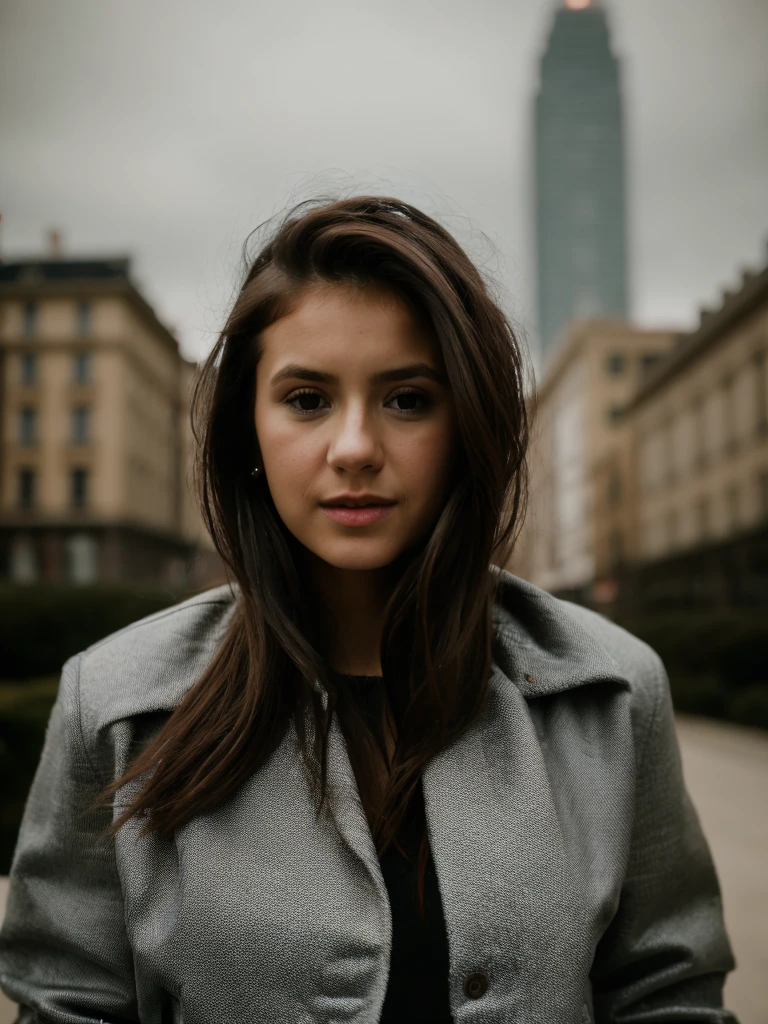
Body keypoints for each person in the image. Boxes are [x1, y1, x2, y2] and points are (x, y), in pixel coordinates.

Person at [0, 196, 738, 1023]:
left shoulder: (613, 693)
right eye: (307, 399)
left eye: (408, 399)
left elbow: (669, 996)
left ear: (470, 425)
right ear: (249, 431)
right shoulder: (115, 704)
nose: (354, 448)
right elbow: (64, 1004)